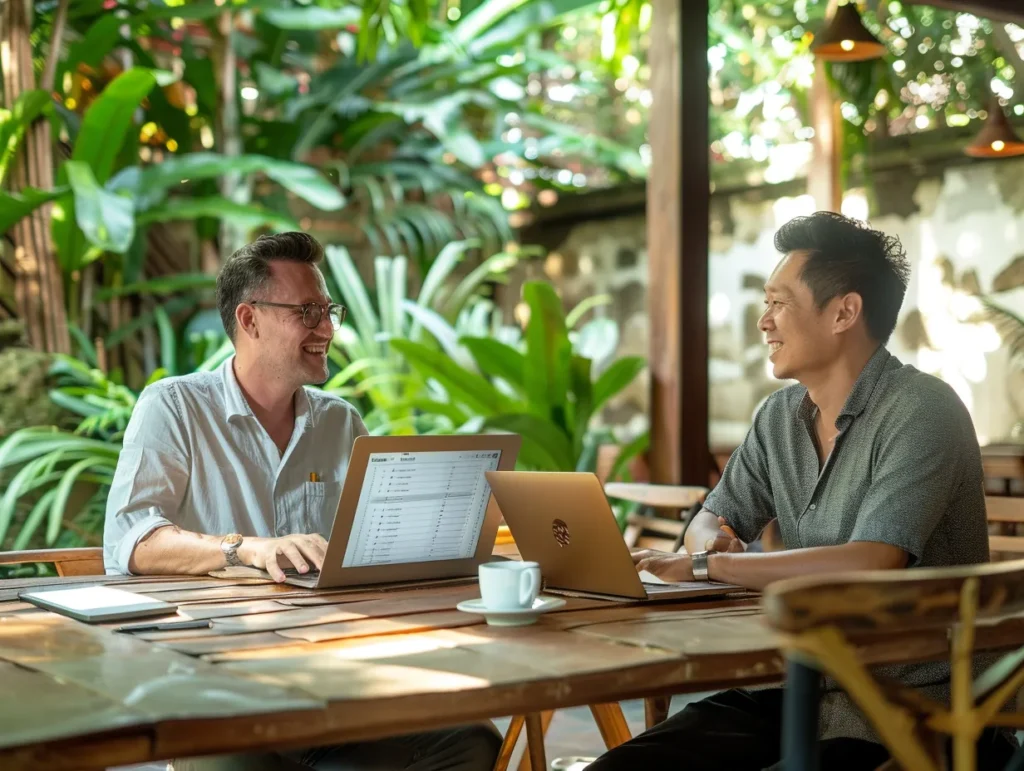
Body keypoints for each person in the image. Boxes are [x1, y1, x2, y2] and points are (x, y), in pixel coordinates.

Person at [589, 212, 1016, 771]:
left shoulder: (923, 410)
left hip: (913, 718)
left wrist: (711, 568)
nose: (763, 322)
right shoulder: (780, 417)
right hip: (793, 690)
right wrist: (710, 541)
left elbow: (872, 561)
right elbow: (712, 517)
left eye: (778, 303)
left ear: (844, 311)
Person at [102, 232, 501, 771]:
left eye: (328, 310)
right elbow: (131, 541)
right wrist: (246, 549)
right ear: (249, 320)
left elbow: (367, 549)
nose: (328, 329)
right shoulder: (174, 406)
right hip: (216, 686)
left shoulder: (340, 421)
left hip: (332, 675)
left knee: (470, 738)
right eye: (308, 311)